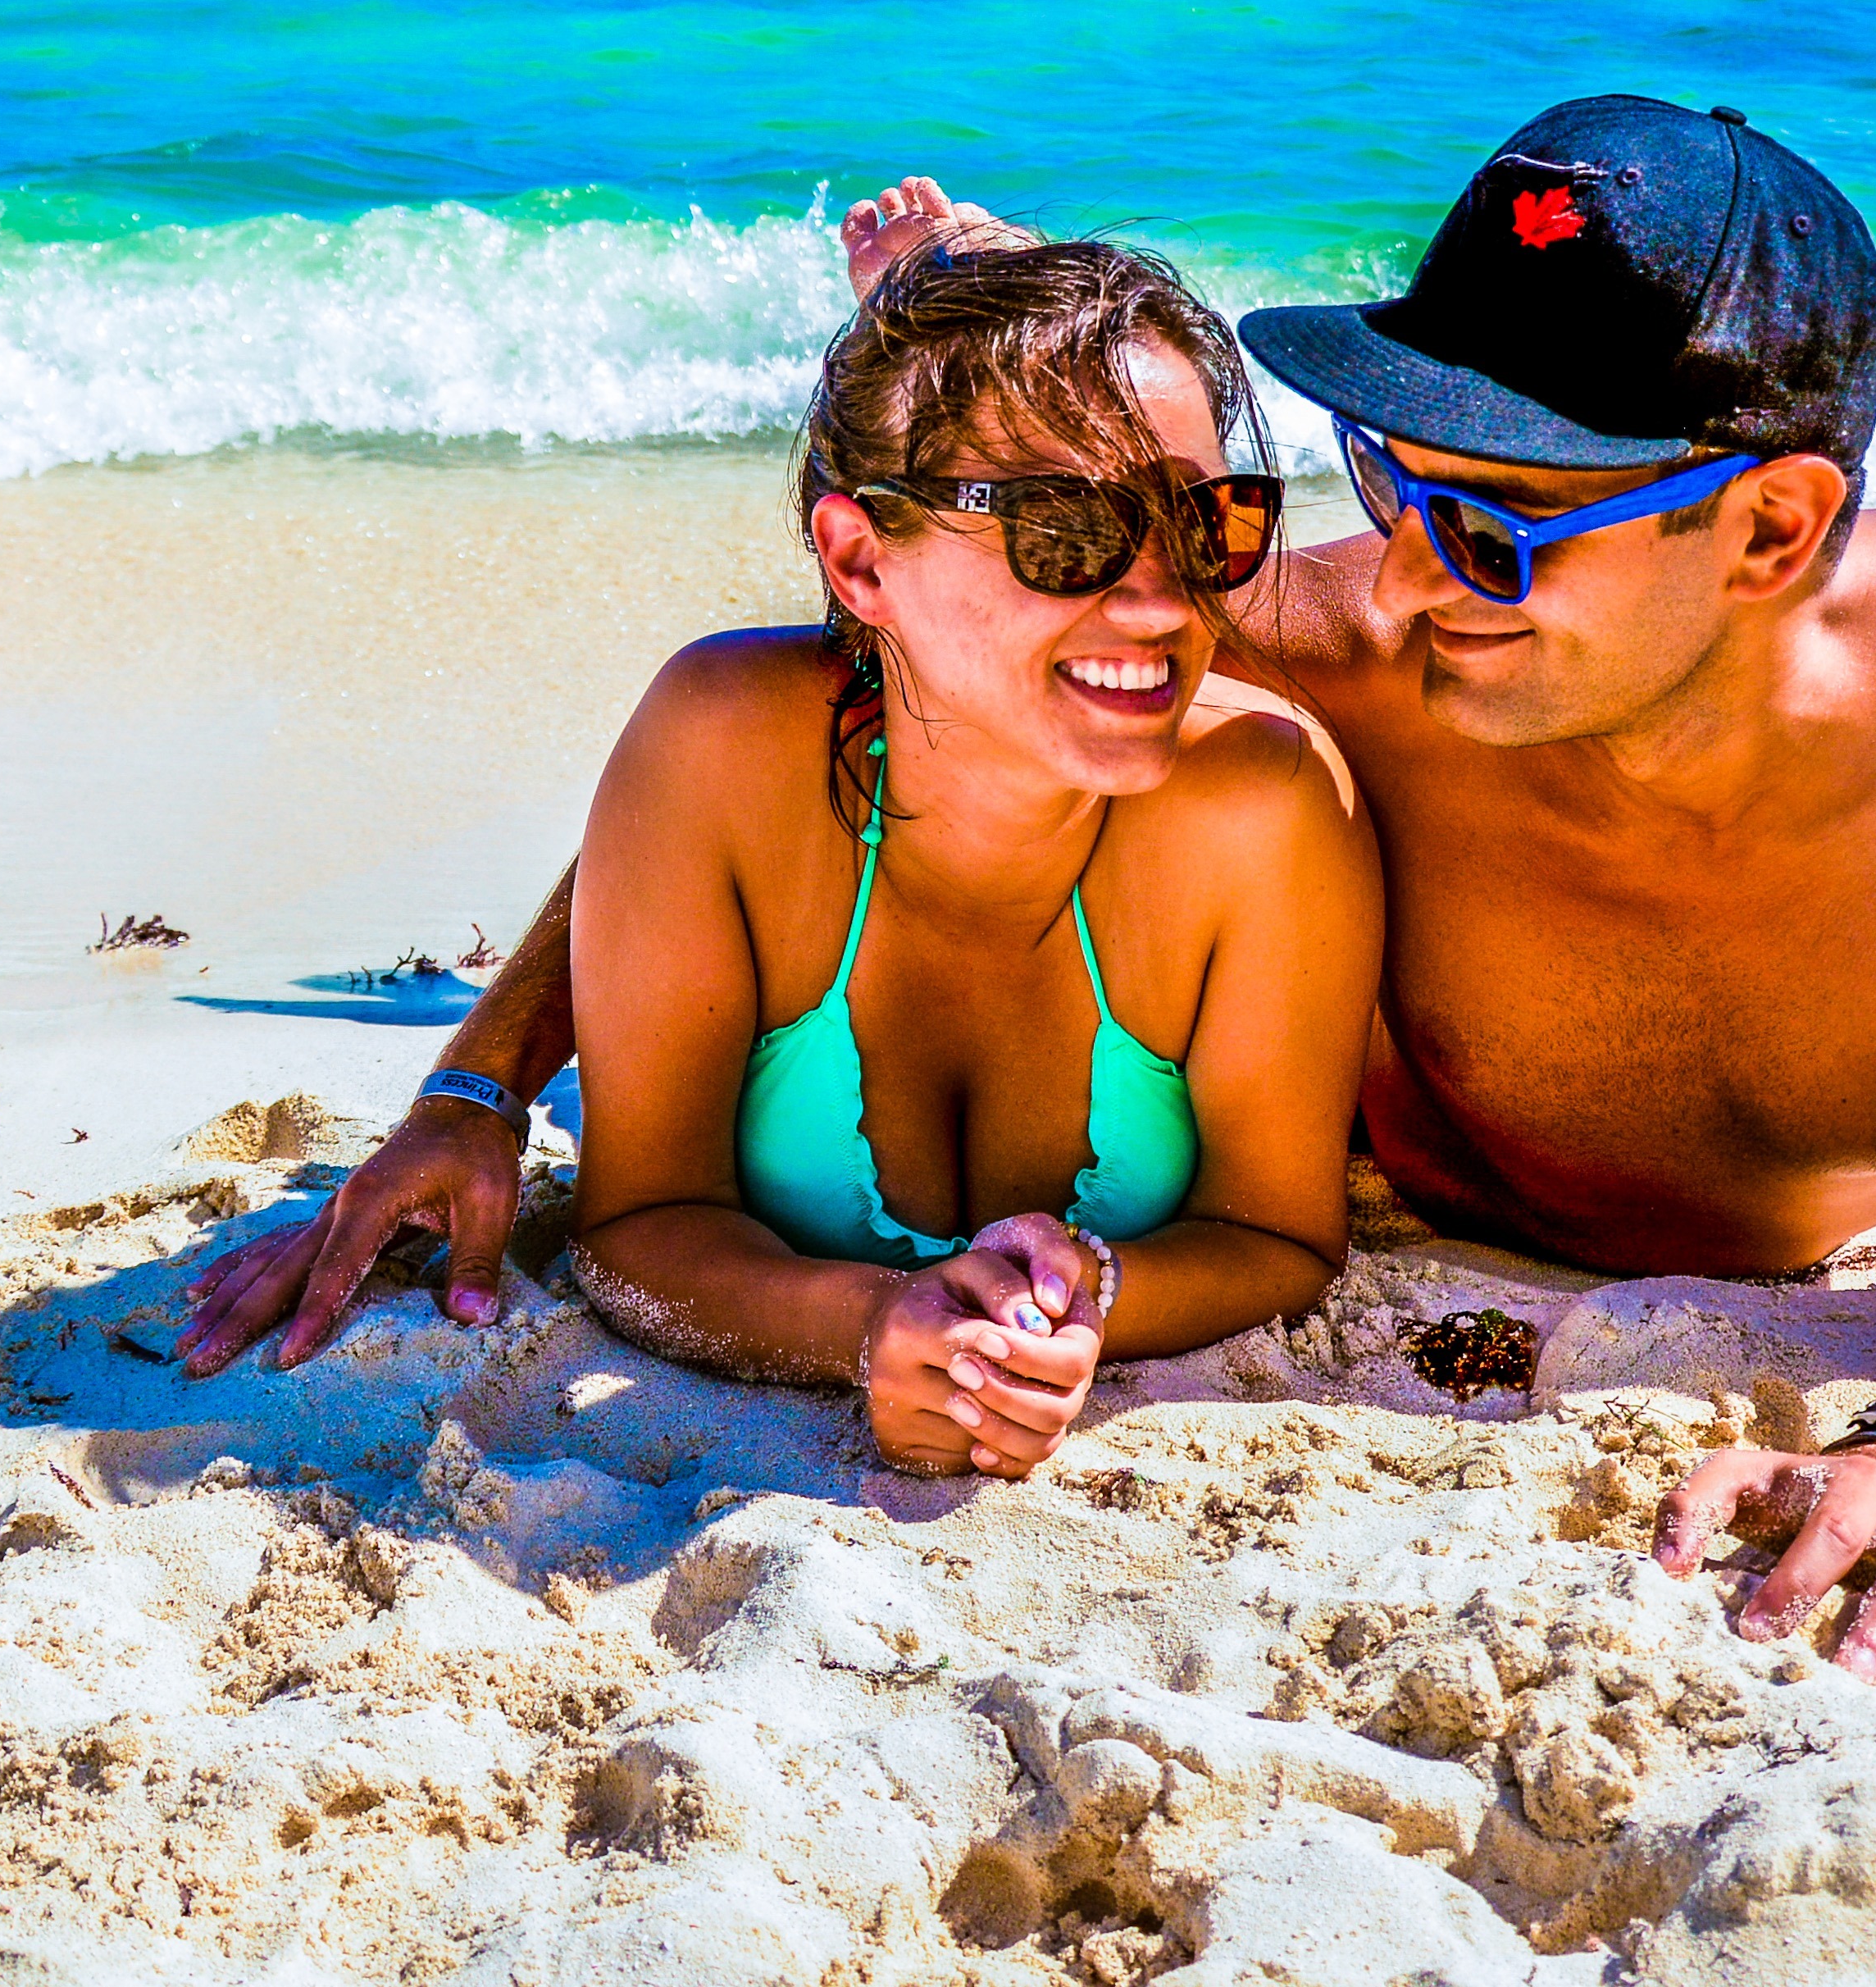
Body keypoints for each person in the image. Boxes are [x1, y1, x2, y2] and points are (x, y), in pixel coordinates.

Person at [181, 96, 1876, 1707]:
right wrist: (477, 1077)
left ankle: (972, 265)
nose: (1406, 568)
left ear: (1771, 522)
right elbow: (843, 707)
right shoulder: (1369, 635)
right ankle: (971, 277)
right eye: (1383, 469)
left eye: (1501, 526)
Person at [187, 241, 1376, 1478]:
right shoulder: (718, 749)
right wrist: (871, 1329)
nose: (1158, 598)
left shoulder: (1266, 807)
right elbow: (638, 1223)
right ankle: (930, 282)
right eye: (1063, 528)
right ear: (860, 559)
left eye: (1206, 520)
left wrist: (1086, 1302)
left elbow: (1277, 1235)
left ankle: (945, 278)